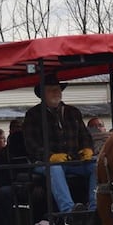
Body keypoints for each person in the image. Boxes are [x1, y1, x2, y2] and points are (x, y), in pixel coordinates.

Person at [24, 74, 96, 214]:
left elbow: (85, 135)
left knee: (96, 166)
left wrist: (87, 149)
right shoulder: (33, 115)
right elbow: (31, 144)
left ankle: (94, 209)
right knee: (55, 169)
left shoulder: (73, 112)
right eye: (51, 90)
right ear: (42, 94)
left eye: (58, 89)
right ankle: (69, 212)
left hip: (73, 161)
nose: (56, 92)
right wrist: (50, 156)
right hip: (44, 163)